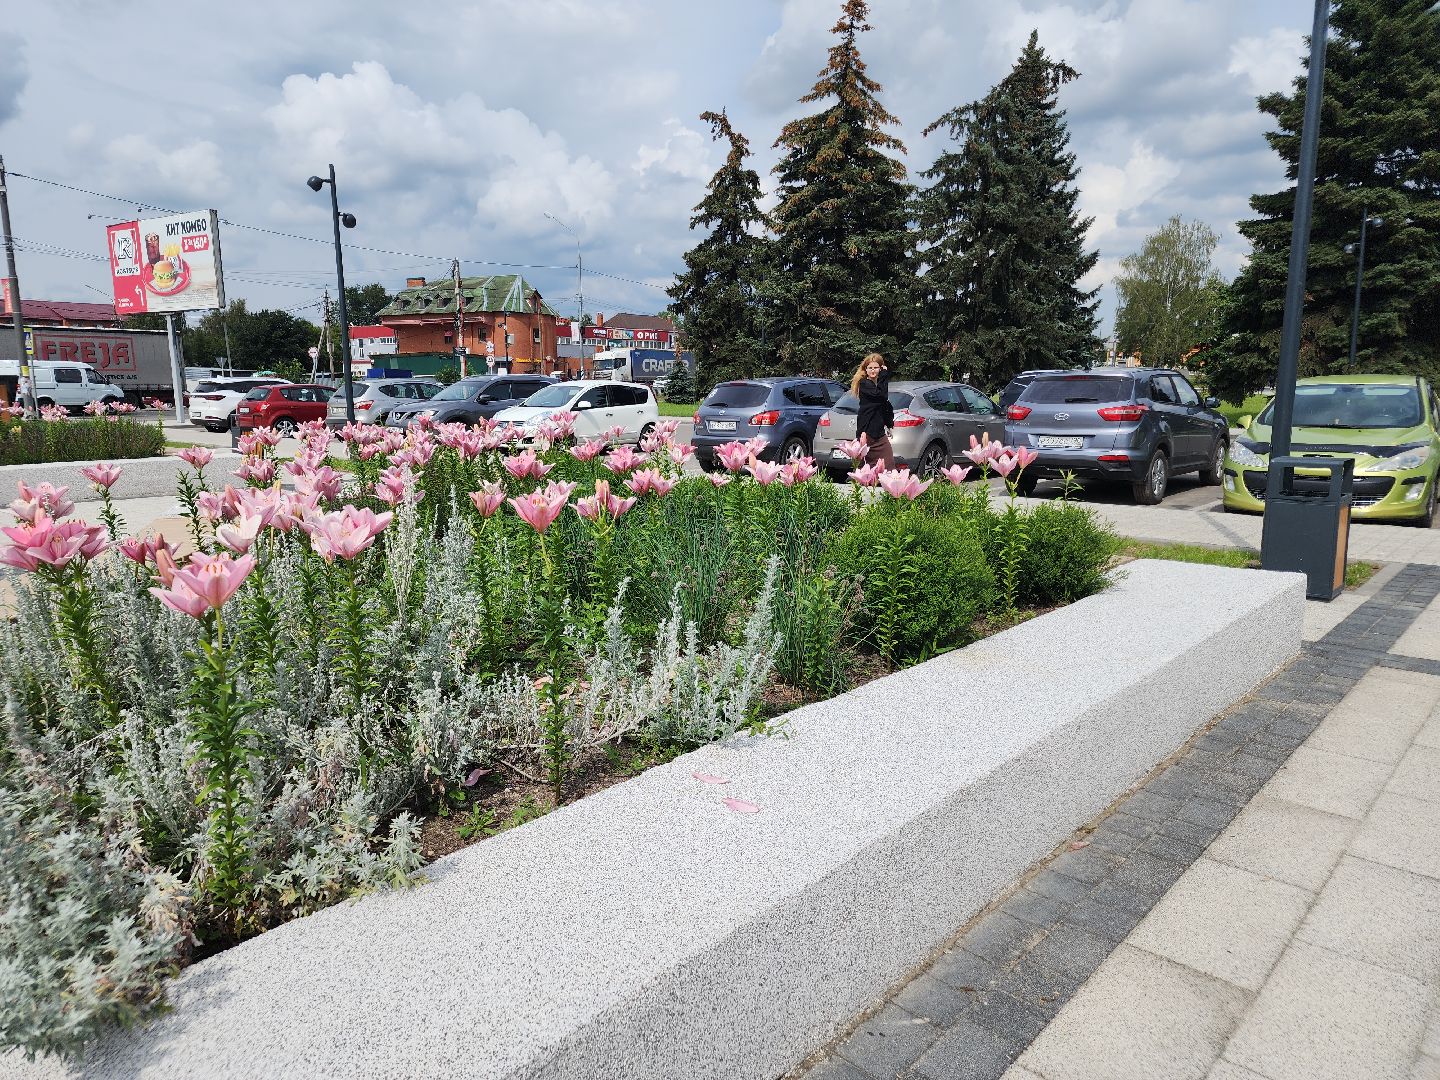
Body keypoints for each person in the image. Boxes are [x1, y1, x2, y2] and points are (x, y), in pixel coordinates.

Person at [852, 352, 895, 469]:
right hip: (867, 432)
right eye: (870, 368)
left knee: (888, 465)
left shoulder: (878, 384)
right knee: (864, 469)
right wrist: (884, 375)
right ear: (865, 369)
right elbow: (881, 396)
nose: (873, 370)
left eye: (876, 368)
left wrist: (889, 425)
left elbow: (885, 407)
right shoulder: (864, 384)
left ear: (880, 368)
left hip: (879, 433)